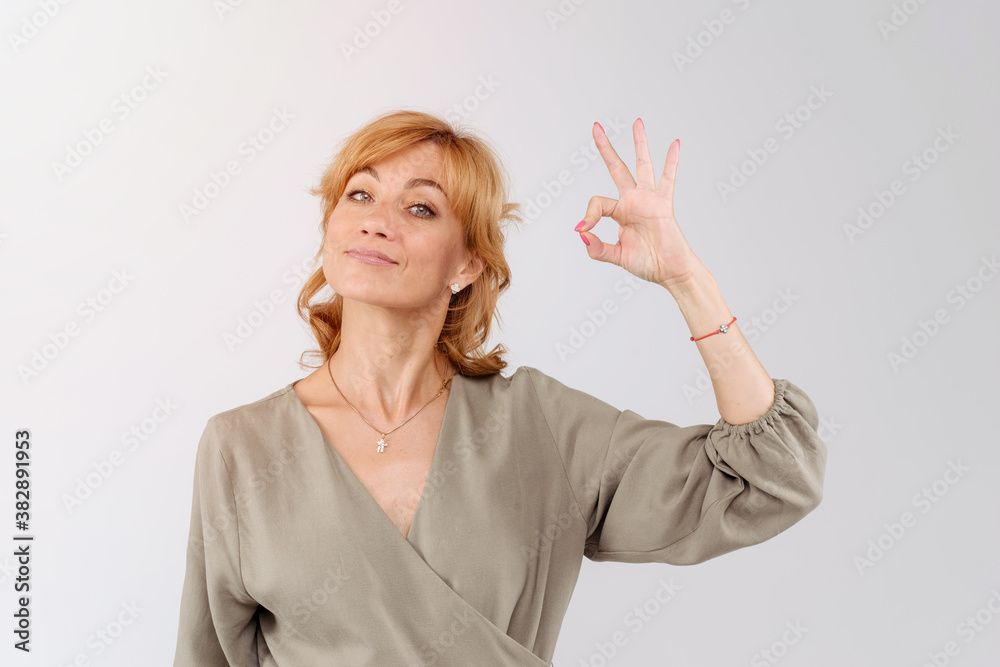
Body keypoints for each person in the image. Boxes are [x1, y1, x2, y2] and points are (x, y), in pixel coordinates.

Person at [172, 110, 827, 666]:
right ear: (331, 227)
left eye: (420, 207)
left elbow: (772, 476)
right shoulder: (241, 448)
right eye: (360, 194)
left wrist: (687, 279)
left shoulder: (538, 427)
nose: (376, 221)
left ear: (467, 262)